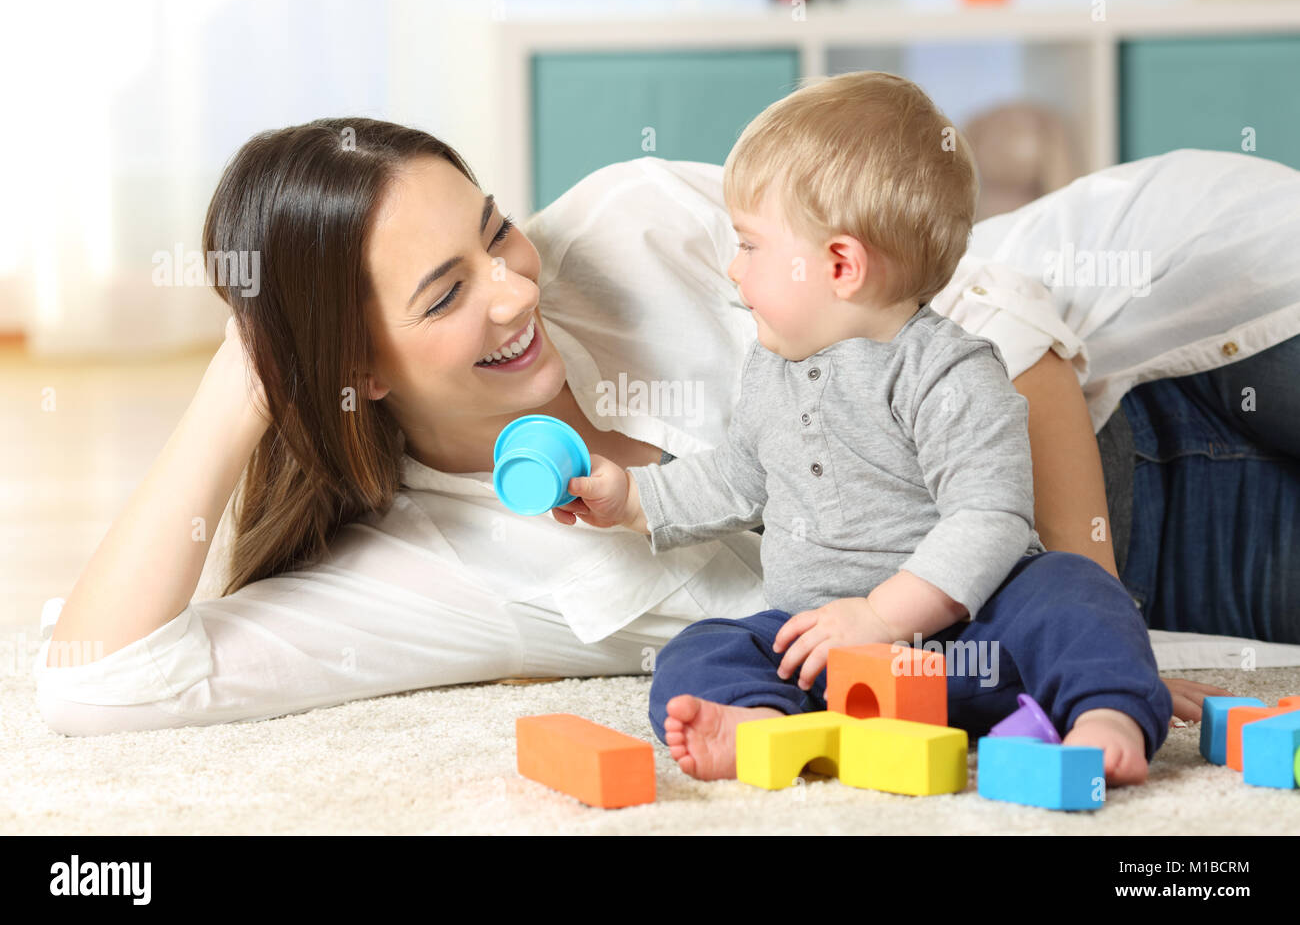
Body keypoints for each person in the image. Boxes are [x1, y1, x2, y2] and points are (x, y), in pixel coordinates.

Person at [35, 116, 1264, 738]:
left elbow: (1003, 327)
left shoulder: (632, 226)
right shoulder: (426, 565)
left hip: (1170, 344)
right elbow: (100, 685)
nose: (515, 290)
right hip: (1174, 564)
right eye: (446, 293)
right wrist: (247, 375)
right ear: (353, 362)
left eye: (493, 231)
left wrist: (1090, 622)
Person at [555, 71, 1170, 785]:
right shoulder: (769, 370)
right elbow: (736, 478)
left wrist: (882, 616)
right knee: (703, 649)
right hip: (827, 651)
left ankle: (1106, 714)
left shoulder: (949, 371)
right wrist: (631, 499)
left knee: (1071, 591)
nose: (732, 268)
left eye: (750, 246)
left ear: (841, 265)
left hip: (972, 644)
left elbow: (990, 519)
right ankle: (764, 722)